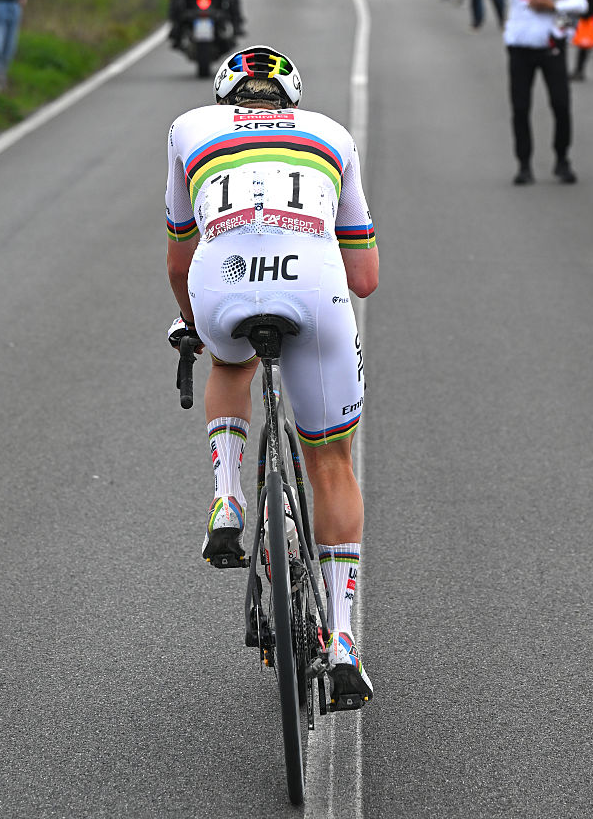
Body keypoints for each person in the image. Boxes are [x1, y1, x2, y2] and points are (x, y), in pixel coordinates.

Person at [165, 45, 378, 702]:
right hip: (314, 290)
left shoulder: (189, 127)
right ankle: (342, 642)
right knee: (331, 463)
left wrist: (192, 323)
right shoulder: (331, 133)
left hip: (221, 281)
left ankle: (228, 498)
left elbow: (180, 259)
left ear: (227, 98)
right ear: (292, 101)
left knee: (228, 354)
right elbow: (365, 279)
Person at [422, 0, 588, 186]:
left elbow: (580, 2)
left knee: (561, 105)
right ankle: (524, 165)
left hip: (551, 47)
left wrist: (553, 4)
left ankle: (562, 160)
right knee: (520, 108)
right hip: (519, 49)